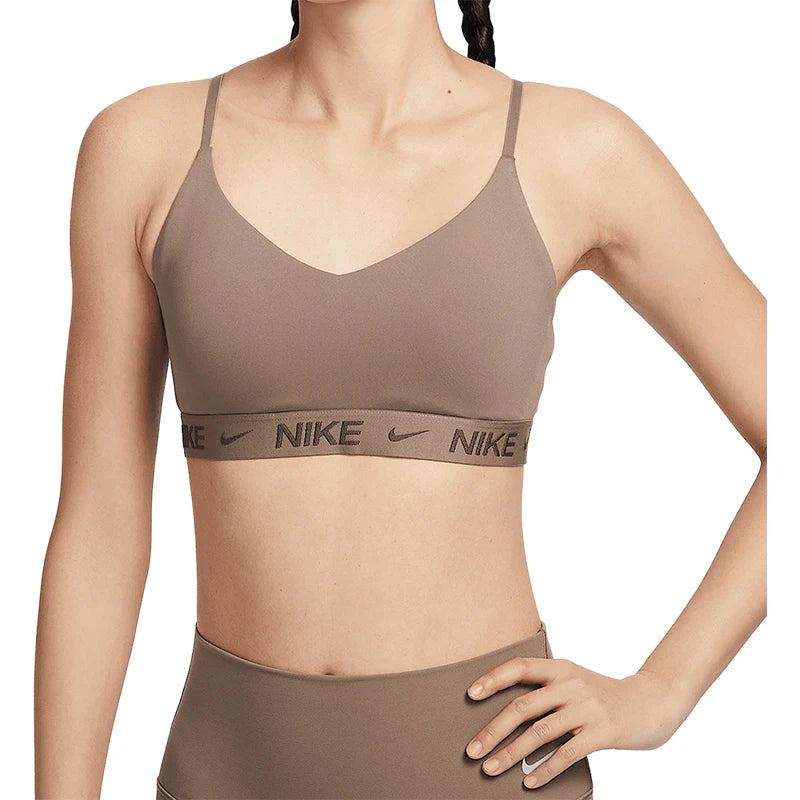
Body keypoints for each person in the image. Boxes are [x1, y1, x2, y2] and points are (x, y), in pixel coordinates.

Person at [34, 1, 767, 798]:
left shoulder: (575, 149)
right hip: (222, 775)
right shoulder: (144, 148)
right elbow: (100, 530)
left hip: (489, 774)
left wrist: (663, 690)